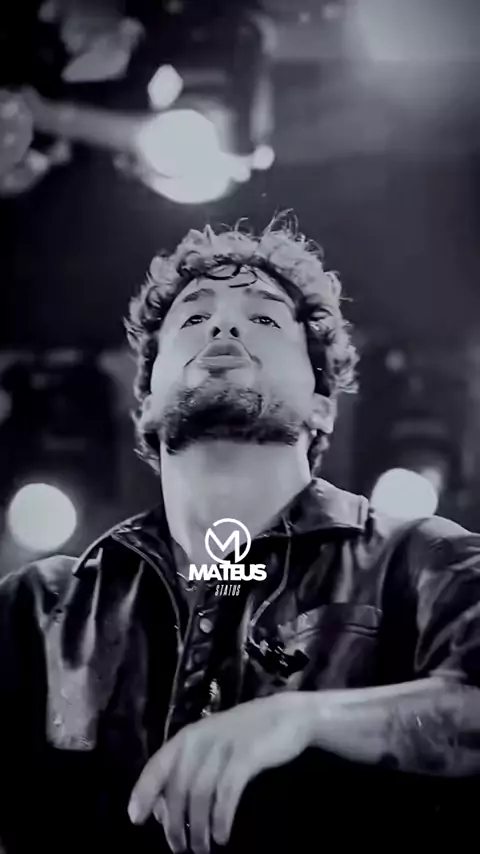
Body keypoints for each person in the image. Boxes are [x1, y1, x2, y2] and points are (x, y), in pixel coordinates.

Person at [1, 214, 480, 854]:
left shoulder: (425, 559)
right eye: (196, 317)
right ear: (144, 402)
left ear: (322, 403)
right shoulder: (38, 607)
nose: (223, 328)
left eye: (264, 319)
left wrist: (307, 719)